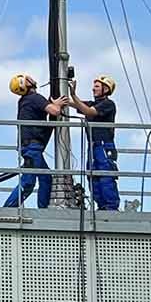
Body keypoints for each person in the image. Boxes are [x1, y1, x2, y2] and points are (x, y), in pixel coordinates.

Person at [59, 74, 121, 211]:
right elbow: (78, 104)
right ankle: (102, 206)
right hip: (93, 146)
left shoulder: (108, 104)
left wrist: (73, 94)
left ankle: (111, 207)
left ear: (106, 89)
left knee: (105, 176)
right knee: (93, 176)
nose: (93, 89)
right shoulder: (94, 103)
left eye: (97, 86)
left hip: (104, 145)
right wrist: (59, 99)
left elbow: (88, 111)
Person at [2, 74, 62, 208]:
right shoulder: (34, 98)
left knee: (44, 178)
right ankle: (9, 209)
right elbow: (55, 111)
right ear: (26, 84)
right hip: (32, 147)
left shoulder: (25, 101)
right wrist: (57, 104)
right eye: (27, 78)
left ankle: (41, 208)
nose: (31, 77)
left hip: (28, 146)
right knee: (30, 181)